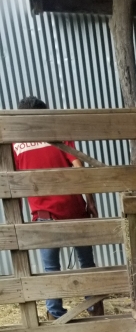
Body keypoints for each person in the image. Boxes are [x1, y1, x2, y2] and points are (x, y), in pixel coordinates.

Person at [12, 96, 99, 319]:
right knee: (86, 263)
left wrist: (18, 217)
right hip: (74, 210)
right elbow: (78, 167)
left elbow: (12, 182)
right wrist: (90, 201)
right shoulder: (59, 135)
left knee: (52, 269)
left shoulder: (15, 145)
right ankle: (94, 307)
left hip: (44, 215)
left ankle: (55, 314)